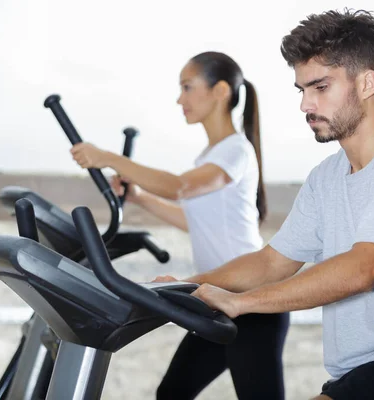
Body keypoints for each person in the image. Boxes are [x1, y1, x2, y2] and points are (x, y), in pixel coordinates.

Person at [155, 9, 374, 400]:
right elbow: (272, 262)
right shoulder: (326, 178)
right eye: (302, 90)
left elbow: (366, 267)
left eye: (321, 88)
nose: (305, 105)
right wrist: (192, 284)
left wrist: (241, 303)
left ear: (366, 83)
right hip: (362, 372)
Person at [70, 51, 290, 399]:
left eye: (187, 88)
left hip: (251, 300)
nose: (179, 99)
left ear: (220, 92)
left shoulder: (235, 151)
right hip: (217, 298)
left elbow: (180, 186)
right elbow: (193, 220)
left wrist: (109, 157)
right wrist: (139, 196)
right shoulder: (212, 156)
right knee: (172, 393)